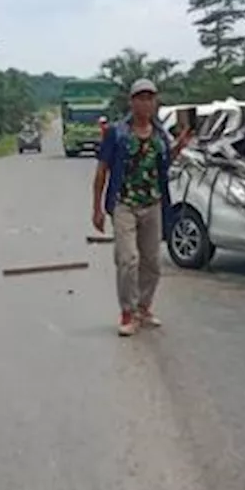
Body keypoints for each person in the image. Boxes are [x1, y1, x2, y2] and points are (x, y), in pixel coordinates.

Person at [92, 79, 193, 337]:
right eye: (141, 98)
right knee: (128, 260)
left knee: (153, 262)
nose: (146, 103)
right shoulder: (116, 133)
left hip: (153, 204)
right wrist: (97, 208)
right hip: (124, 203)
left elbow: (162, 165)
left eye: (150, 98)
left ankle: (143, 307)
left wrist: (179, 146)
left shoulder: (160, 134)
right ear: (132, 102)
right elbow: (102, 170)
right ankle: (128, 312)